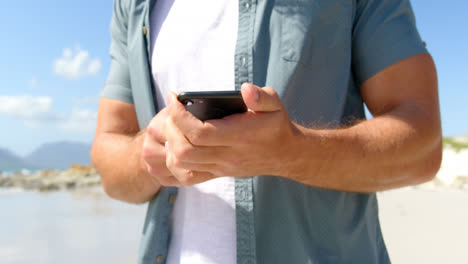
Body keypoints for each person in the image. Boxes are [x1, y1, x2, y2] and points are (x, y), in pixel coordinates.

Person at [91, 0, 442, 263]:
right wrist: (150, 153)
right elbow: (109, 163)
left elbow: (423, 145)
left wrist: (292, 152)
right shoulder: (133, 7)